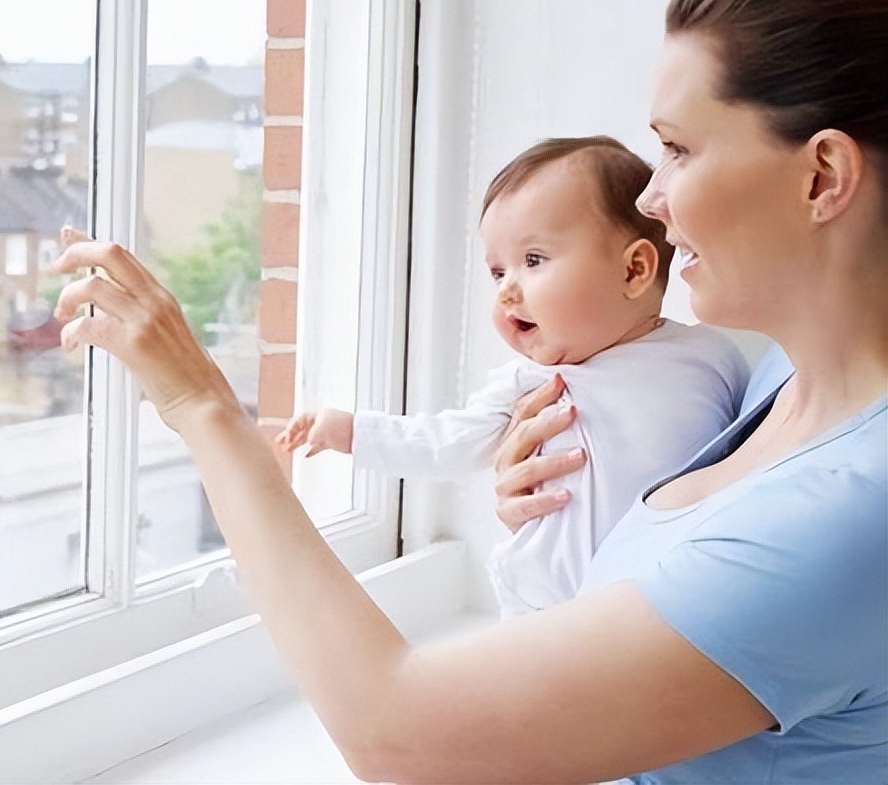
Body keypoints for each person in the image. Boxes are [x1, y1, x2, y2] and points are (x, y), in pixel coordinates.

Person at [53, 0, 886, 781]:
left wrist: (202, 406)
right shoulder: (782, 380)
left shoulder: (853, 513)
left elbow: (399, 736)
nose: (650, 198)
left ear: (822, 176)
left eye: (678, 149)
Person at [275, 136, 750, 616]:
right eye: (498, 273)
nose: (506, 291)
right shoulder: (528, 384)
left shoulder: (712, 356)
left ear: (633, 271)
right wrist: (350, 430)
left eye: (533, 261)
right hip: (545, 606)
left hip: (668, 603)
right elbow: (445, 440)